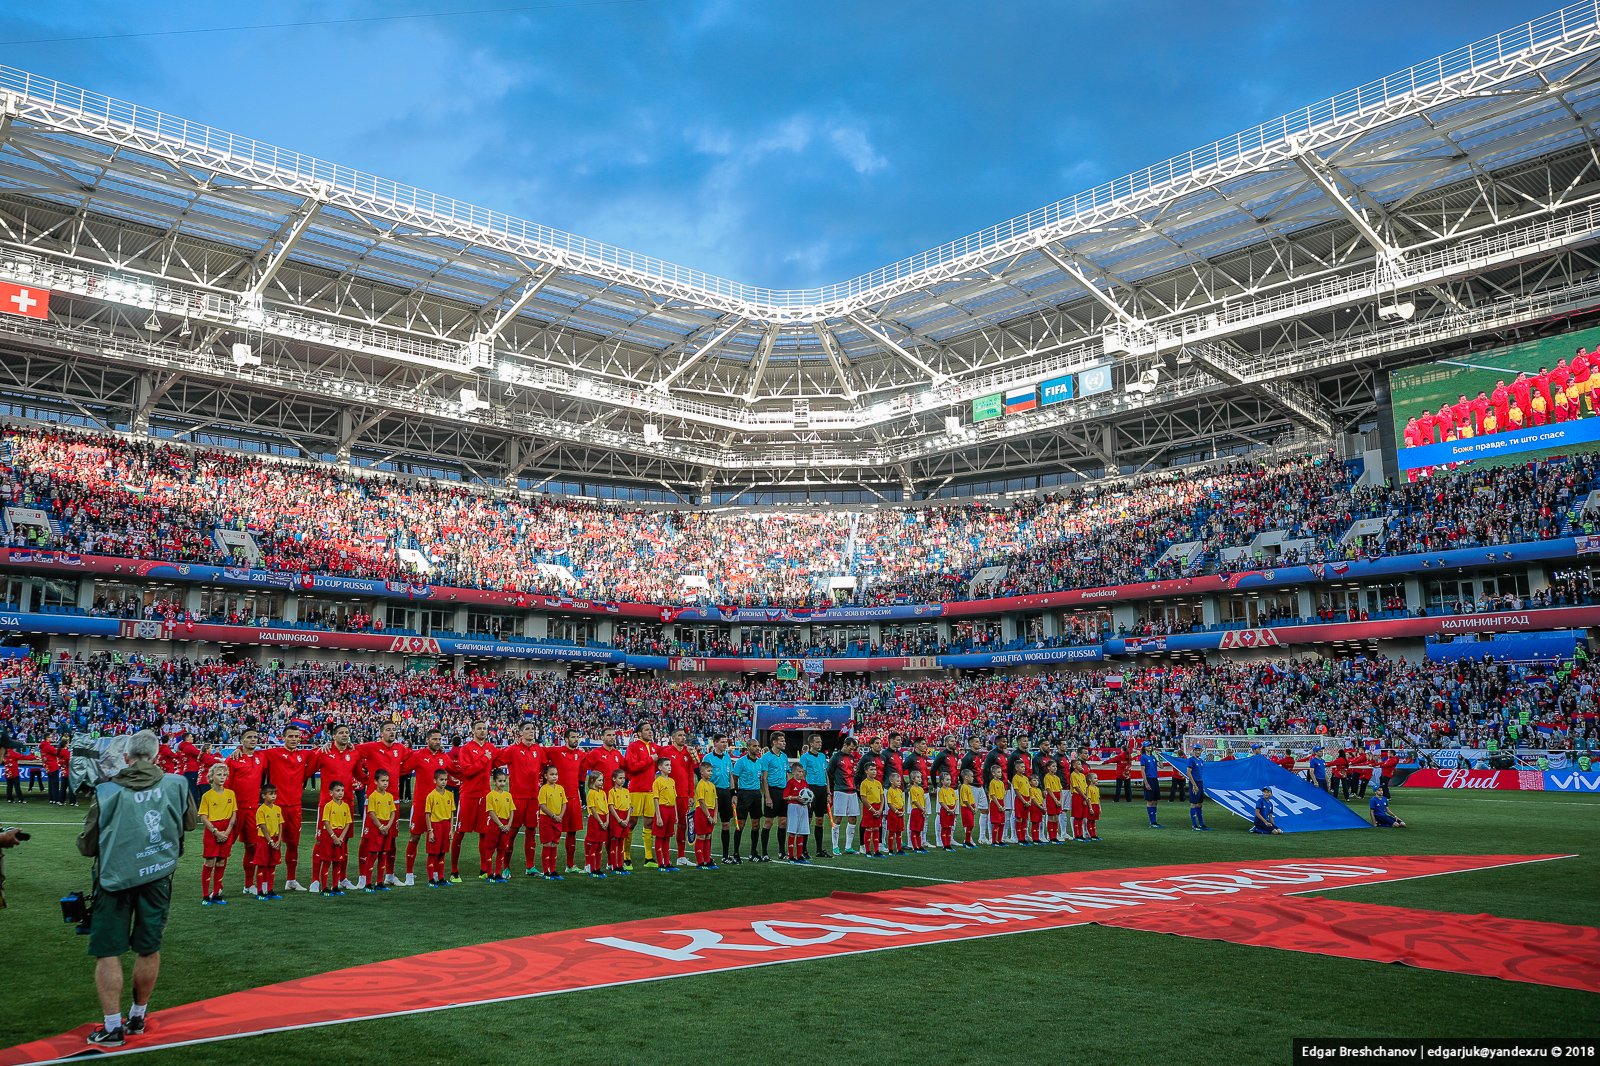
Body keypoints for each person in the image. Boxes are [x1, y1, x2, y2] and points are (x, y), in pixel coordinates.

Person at [76, 730, 197, 1049]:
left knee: (108, 950)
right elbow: (190, 823)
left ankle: (112, 1027)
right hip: (157, 875)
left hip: (114, 880)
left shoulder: (106, 790)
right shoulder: (177, 784)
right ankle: (138, 1017)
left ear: (126, 757)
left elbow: (87, 846)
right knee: (148, 947)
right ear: (156, 756)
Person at [262, 721, 315, 892]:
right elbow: (252, 754)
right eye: (290, 736)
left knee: (293, 844)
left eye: (297, 736)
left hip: (295, 808)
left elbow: (322, 753)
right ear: (283, 738)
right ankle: (266, 881)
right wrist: (239, 749)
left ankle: (291, 880)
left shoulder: (304, 755)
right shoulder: (272, 753)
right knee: (271, 843)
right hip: (276, 808)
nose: (294, 739)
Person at [400, 729, 454, 886]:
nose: (437, 742)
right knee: (414, 838)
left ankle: (436, 875)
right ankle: (409, 874)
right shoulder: (418, 755)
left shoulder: (444, 757)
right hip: (421, 805)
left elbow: (456, 771)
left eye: (439, 739)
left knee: (439, 840)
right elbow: (402, 769)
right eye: (434, 739)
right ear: (427, 740)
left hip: (439, 808)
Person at [449, 720, 496, 883]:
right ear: (473, 731)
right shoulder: (466, 749)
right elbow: (467, 772)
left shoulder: (491, 748)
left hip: (485, 795)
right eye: (479, 728)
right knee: (460, 833)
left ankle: (484, 869)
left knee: (485, 833)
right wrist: (484, 759)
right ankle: (454, 871)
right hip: (468, 795)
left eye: (484, 728)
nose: (482, 731)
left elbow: (497, 761)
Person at [498, 721, 545, 878]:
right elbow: (496, 760)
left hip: (533, 798)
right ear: (520, 733)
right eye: (527, 729)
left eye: (533, 729)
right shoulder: (512, 750)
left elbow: (546, 763)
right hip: (517, 798)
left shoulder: (538, 750)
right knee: (511, 833)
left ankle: (530, 867)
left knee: (531, 832)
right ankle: (505, 867)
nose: (531, 731)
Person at [224, 726, 266, 895]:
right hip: (235, 810)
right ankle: (217, 888)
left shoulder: (261, 757)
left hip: (253, 810)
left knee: (252, 847)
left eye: (255, 737)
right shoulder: (233, 759)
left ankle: (249, 885)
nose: (253, 739)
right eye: (249, 737)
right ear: (242, 741)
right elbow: (225, 785)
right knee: (224, 849)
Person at [542, 728, 586, 875]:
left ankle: (570, 865)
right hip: (556, 799)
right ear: (566, 739)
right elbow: (539, 754)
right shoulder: (555, 751)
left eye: (577, 737)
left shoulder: (581, 754)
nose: (576, 739)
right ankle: (549, 867)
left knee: (572, 832)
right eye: (573, 737)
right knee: (552, 834)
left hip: (573, 798)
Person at [624, 722, 663, 870]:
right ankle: (626, 857)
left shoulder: (654, 747)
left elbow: (667, 751)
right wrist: (650, 759)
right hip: (635, 790)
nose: (650, 732)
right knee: (631, 822)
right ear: (639, 733)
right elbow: (632, 767)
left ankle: (648, 857)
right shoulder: (633, 747)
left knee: (649, 823)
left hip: (650, 791)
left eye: (651, 729)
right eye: (646, 730)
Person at [196, 763, 236, 906]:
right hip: (212, 830)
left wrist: (227, 832)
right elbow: (203, 817)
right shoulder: (207, 796)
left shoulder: (230, 794)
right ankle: (205, 896)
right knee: (209, 862)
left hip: (226, 831)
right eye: (219, 774)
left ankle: (217, 893)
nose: (222, 777)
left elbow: (233, 814)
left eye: (224, 775)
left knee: (221, 861)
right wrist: (215, 832)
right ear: (211, 777)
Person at [359, 769, 398, 893]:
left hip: (387, 827)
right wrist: (381, 827)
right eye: (383, 781)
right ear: (376, 782)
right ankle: (368, 883)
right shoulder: (373, 796)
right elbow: (371, 813)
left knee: (383, 854)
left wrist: (388, 826)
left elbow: (393, 812)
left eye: (387, 781)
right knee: (373, 855)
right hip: (376, 828)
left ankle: (380, 882)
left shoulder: (390, 796)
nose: (385, 783)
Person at [314, 782, 353, 897]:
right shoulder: (328, 806)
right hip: (329, 835)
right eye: (337, 790)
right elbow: (326, 822)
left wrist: (341, 837)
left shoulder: (346, 806)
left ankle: (335, 886)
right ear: (331, 793)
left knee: (338, 861)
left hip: (340, 836)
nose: (340, 793)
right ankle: (324, 888)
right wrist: (334, 837)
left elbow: (348, 823)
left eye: (342, 790)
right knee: (326, 861)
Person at [703, 735, 736, 864]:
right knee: (709, 824)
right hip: (712, 792)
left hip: (726, 793)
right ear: (715, 743)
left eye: (725, 742)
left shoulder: (727, 757)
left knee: (726, 824)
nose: (725, 744)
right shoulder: (708, 758)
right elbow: (703, 777)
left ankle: (725, 855)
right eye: (722, 742)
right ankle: (707, 856)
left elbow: (730, 775)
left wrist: (733, 793)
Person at [732, 742, 764, 863]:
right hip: (744, 794)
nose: (757, 748)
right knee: (740, 825)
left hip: (756, 794)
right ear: (748, 748)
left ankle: (753, 852)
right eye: (754, 746)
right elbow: (734, 779)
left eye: (758, 746)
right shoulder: (741, 762)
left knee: (756, 825)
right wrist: (735, 794)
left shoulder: (760, 762)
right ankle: (736, 853)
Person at [758, 732, 789, 861]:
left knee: (783, 822)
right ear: (774, 742)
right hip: (772, 791)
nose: (784, 743)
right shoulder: (766, 758)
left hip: (783, 792)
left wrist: (789, 792)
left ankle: (782, 852)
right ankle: (764, 852)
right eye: (781, 741)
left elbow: (787, 775)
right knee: (768, 822)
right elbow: (764, 779)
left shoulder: (784, 756)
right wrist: (767, 797)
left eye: (784, 740)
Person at [423, 768, 456, 887]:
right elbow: (427, 815)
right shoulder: (431, 796)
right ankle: (431, 879)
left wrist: (451, 830)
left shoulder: (450, 795)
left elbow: (452, 813)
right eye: (441, 779)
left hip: (446, 826)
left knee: (442, 853)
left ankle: (441, 878)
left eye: (445, 780)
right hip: (435, 826)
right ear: (435, 780)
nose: (444, 782)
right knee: (432, 853)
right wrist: (430, 831)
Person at [827, 736, 860, 856]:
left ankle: (848, 846)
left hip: (852, 791)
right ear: (845, 745)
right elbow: (829, 773)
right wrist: (832, 788)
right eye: (850, 748)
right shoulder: (836, 757)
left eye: (853, 749)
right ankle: (835, 846)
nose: (852, 750)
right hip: (840, 791)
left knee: (853, 818)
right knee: (838, 818)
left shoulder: (851, 757)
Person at [483, 770, 517, 883]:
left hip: (506, 825)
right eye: (500, 781)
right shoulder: (490, 795)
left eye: (504, 781)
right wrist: (501, 825)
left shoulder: (508, 795)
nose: (502, 783)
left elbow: (512, 810)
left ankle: (497, 874)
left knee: (502, 849)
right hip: (495, 824)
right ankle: (489, 874)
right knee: (490, 849)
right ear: (494, 782)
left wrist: (509, 824)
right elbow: (491, 812)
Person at [799, 733, 830, 858]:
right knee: (808, 820)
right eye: (817, 742)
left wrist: (828, 792)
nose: (820, 744)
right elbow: (803, 775)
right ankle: (803, 850)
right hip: (811, 790)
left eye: (820, 742)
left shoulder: (822, 756)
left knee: (820, 820)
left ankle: (819, 850)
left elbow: (826, 775)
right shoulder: (805, 757)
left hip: (822, 790)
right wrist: (804, 792)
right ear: (811, 743)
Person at [254, 785, 284, 900]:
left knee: (272, 865)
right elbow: (262, 826)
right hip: (264, 840)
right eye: (271, 794)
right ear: (263, 796)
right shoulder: (261, 810)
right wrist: (270, 841)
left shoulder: (277, 809)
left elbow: (280, 824)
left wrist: (279, 840)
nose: (273, 796)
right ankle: (260, 891)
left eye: (275, 794)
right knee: (262, 865)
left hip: (275, 840)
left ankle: (270, 889)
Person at [651, 756, 680, 872]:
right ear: (660, 767)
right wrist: (658, 816)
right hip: (662, 810)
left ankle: (667, 862)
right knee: (660, 837)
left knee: (667, 837)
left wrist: (676, 814)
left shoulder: (672, 781)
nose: (669, 767)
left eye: (670, 765)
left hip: (671, 810)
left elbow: (674, 799)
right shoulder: (657, 782)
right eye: (667, 765)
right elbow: (656, 799)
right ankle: (660, 864)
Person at [582, 770, 611, 879]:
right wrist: (600, 822)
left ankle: (597, 868)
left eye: (602, 780)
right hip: (595, 820)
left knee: (599, 845)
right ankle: (591, 868)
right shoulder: (591, 793)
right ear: (592, 781)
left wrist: (607, 821)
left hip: (603, 820)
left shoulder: (602, 793)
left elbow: (606, 808)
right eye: (599, 780)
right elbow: (593, 809)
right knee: (594, 844)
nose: (602, 782)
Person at [692, 760, 719, 870]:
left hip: (711, 812)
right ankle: (700, 862)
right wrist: (708, 816)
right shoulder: (700, 785)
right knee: (701, 836)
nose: (710, 773)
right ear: (702, 772)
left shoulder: (712, 785)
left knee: (708, 836)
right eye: (708, 771)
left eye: (711, 771)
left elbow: (716, 801)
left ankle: (707, 860)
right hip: (702, 812)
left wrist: (715, 816)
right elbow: (701, 801)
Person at [782, 763, 810, 863]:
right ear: (793, 772)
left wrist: (808, 801)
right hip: (793, 807)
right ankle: (791, 856)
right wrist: (796, 798)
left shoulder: (805, 783)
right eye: (799, 771)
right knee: (792, 831)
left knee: (801, 832)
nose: (801, 773)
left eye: (802, 772)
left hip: (803, 808)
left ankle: (799, 856)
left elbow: (808, 794)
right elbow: (785, 796)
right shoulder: (790, 782)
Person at [607, 768, 633, 875]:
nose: (622, 780)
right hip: (616, 818)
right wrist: (619, 820)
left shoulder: (626, 791)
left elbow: (629, 806)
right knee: (614, 841)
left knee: (621, 841)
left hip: (625, 818)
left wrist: (627, 819)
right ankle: (614, 866)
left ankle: (620, 865)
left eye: (624, 778)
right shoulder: (611, 792)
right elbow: (611, 807)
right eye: (620, 778)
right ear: (614, 779)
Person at [858, 761, 884, 858]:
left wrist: (880, 810)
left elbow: (882, 797)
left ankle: (876, 851)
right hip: (869, 808)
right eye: (871, 769)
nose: (874, 771)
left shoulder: (878, 783)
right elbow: (863, 798)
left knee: (877, 828)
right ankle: (868, 850)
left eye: (875, 769)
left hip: (878, 808)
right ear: (866, 771)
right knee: (868, 829)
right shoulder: (864, 784)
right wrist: (872, 809)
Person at [1185, 747, 1210, 832]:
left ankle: (1201, 824)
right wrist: (1194, 784)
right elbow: (1188, 772)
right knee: (1193, 804)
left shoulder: (1201, 761)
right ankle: (1194, 825)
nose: (1198, 752)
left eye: (1199, 750)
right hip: (1194, 783)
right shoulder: (1191, 760)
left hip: (1200, 782)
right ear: (1193, 751)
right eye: (1196, 750)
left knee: (1199, 804)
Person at [1138, 744, 1163, 828]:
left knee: (1155, 801)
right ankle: (1152, 822)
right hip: (1149, 779)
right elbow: (1142, 770)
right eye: (1148, 746)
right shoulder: (1143, 757)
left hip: (1155, 779)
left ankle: (1154, 821)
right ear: (1144, 748)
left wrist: (1159, 757)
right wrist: (1146, 782)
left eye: (1150, 746)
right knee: (1150, 801)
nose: (1150, 747)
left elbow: (1161, 766)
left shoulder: (1153, 757)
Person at [907, 769, 928, 854]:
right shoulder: (912, 789)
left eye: (920, 777)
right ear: (913, 779)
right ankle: (914, 847)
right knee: (914, 829)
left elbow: (923, 800)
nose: (920, 779)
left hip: (921, 811)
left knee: (919, 830)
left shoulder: (921, 789)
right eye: (918, 777)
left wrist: (924, 809)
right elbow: (915, 801)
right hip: (916, 810)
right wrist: (922, 809)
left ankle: (919, 846)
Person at [985, 765, 1007, 846]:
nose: (1000, 774)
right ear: (993, 773)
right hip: (995, 804)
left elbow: (1003, 795)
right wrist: (999, 806)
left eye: (1000, 772)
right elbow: (993, 795)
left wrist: (1004, 805)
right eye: (998, 772)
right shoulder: (992, 783)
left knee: (1002, 823)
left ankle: (1000, 840)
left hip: (1001, 803)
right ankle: (994, 841)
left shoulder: (1001, 783)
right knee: (996, 823)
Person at [938, 770, 960, 851]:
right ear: (942, 781)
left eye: (950, 779)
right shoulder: (941, 790)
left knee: (949, 828)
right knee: (945, 828)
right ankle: (945, 845)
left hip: (952, 811)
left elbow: (956, 800)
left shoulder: (951, 790)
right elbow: (941, 802)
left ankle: (948, 844)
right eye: (947, 780)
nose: (949, 781)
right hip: (945, 811)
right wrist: (948, 809)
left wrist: (954, 809)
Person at [956, 767, 978, 848]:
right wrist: (972, 808)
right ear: (966, 777)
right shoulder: (964, 787)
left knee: (971, 825)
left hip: (970, 808)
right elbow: (965, 800)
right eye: (971, 776)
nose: (973, 778)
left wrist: (974, 806)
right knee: (969, 824)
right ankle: (967, 842)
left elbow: (971, 798)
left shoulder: (968, 787)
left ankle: (967, 841)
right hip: (966, 809)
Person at [1084, 771, 1102, 841]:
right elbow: (1088, 799)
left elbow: (1098, 799)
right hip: (1092, 805)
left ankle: (1094, 835)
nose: (1097, 779)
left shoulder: (1097, 788)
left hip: (1096, 805)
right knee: (1090, 820)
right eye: (1095, 778)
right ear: (1090, 780)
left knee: (1094, 821)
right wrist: (1090, 808)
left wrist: (1099, 807)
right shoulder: (1089, 788)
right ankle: (1091, 835)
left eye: (1096, 778)